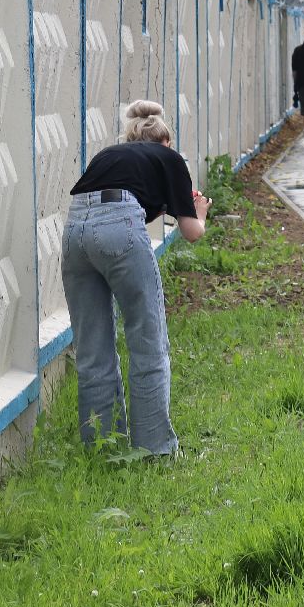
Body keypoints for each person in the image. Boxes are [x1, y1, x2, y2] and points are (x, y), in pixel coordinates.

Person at [62, 101, 210, 457]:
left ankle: (101, 447)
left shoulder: (109, 156)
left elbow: (109, 216)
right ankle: (155, 451)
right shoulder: (171, 160)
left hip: (75, 230)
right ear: (167, 143)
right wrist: (200, 212)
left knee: (92, 349)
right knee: (148, 339)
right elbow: (191, 232)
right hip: (118, 225)